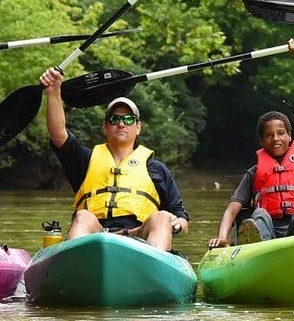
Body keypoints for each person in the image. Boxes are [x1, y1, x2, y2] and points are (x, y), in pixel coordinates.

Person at [209, 39, 294, 246]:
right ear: (261, 140)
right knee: (261, 213)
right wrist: (222, 237)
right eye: (269, 135)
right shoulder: (254, 172)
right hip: (268, 238)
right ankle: (253, 243)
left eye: (281, 133)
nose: (276, 139)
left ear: (290, 136)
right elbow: (232, 209)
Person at [43, 69, 188, 249]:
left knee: (162, 217)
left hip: (139, 237)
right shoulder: (85, 161)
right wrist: (53, 91)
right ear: (105, 126)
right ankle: (76, 266)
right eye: (114, 119)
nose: (121, 124)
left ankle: (152, 268)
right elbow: (58, 134)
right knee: (83, 216)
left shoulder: (156, 169)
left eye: (128, 120)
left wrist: (177, 224)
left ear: (138, 127)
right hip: (96, 235)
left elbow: (180, 216)